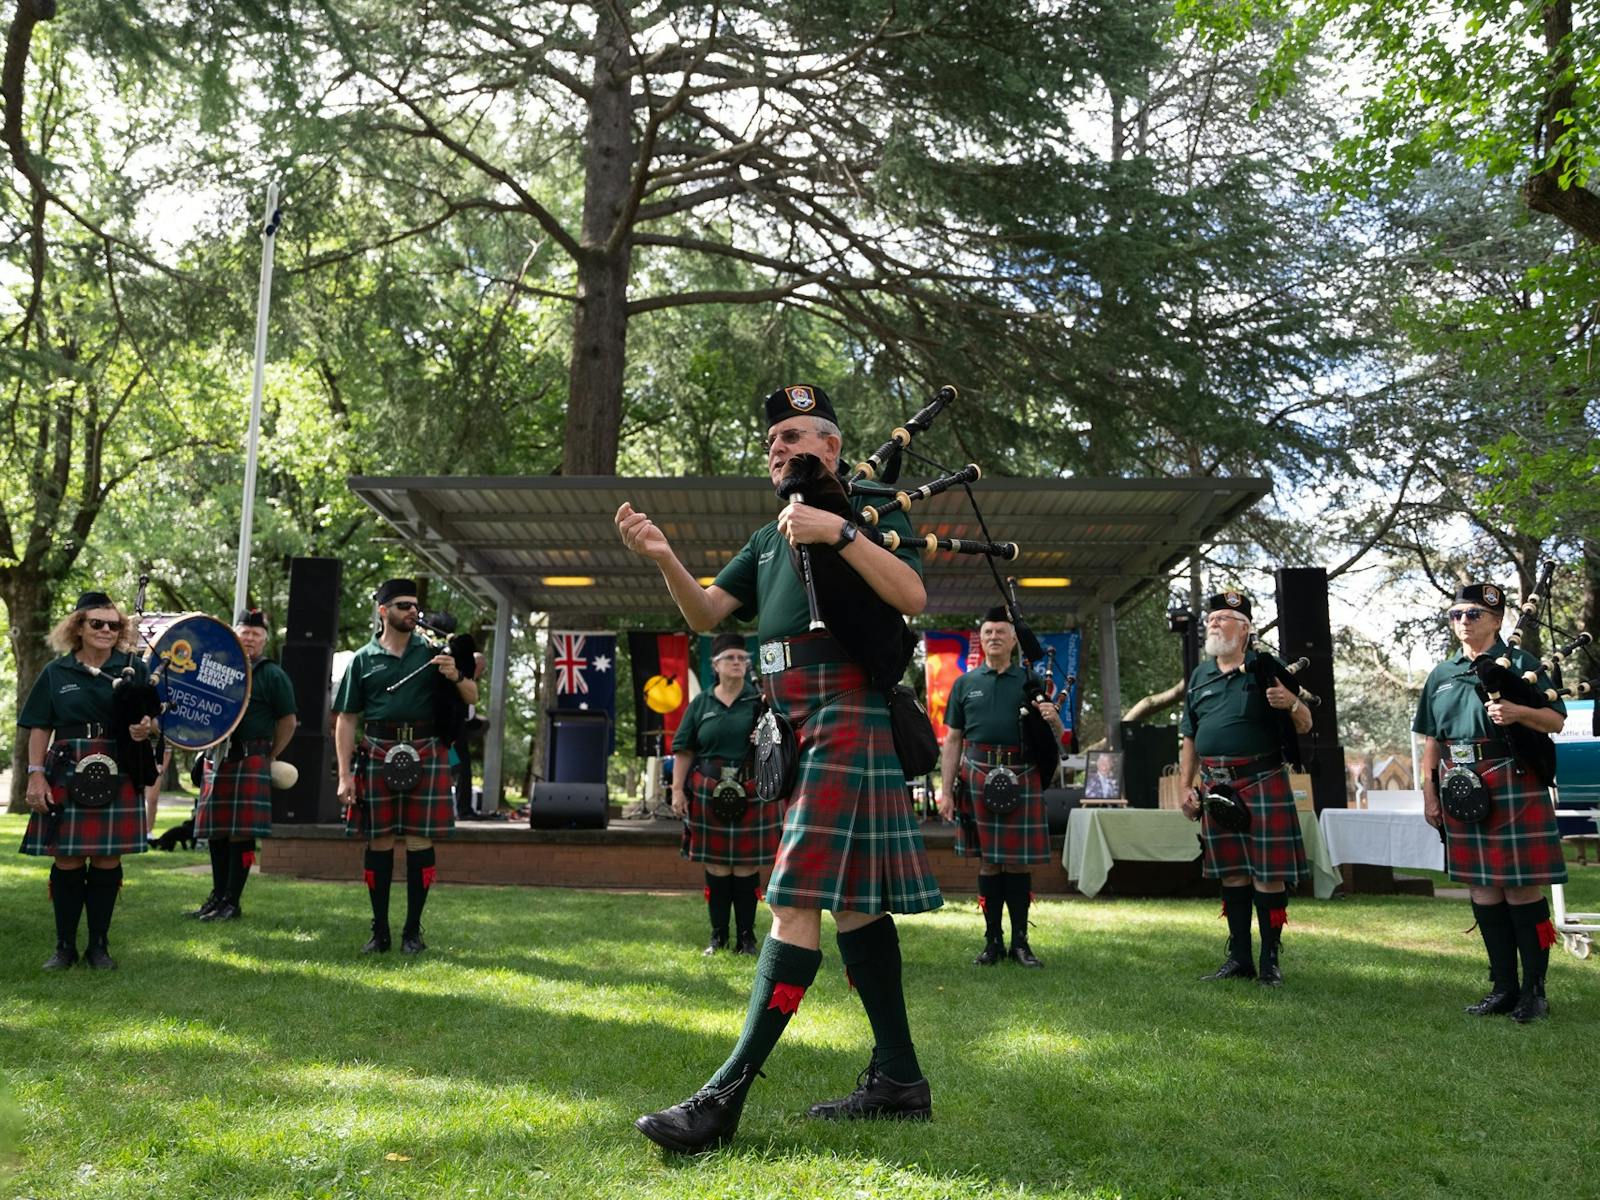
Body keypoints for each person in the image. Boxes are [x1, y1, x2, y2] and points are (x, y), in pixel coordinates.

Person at [617, 383, 940, 1154]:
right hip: (790, 725)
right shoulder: (766, 540)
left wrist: (839, 531)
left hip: (847, 716)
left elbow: (913, 594)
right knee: (856, 905)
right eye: (773, 442)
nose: (781, 449)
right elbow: (704, 614)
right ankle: (899, 1080)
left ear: (831, 448)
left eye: (797, 436)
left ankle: (720, 1101)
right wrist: (664, 558)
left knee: (793, 900)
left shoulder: (869, 510)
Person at [1414, 582, 1566, 1022]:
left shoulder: (1523, 665)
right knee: (1482, 886)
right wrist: (1429, 792)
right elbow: (1431, 739)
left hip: (1512, 779)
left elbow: (1555, 721)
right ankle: (1503, 987)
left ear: (1497, 620)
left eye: (1473, 614)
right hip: (1459, 781)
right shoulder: (1442, 674)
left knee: (1521, 888)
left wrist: (1519, 714)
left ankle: (1534, 991)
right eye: (1456, 614)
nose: (1463, 621)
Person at [333, 579, 477, 955]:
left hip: (425, 748)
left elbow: (472, 695)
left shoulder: (432, 652)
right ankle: (379, 932)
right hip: (377, 749)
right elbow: (346, 719)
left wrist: (455, 675)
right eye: (402, 605)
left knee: (419, 841)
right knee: (378, 841)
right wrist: (345, 774)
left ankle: (412, 933)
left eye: (415, 605)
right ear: (383, 611)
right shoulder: (362, 659)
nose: (412, 611)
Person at [1177, 591, 1313, 987]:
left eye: (1223, 618)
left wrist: (1290, 701)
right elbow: (1189, 735)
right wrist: (1186, 786)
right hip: (1215, 784)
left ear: (1246, 628)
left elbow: (1305, 724)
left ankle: (1269, 960)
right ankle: (1239, 958)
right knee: (1232, 874)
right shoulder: (1201, 675)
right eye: (1211, 619)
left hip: (1262, 782)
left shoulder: (1264, 668)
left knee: (1267, 877)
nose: (1214, 624)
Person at [19, 591, 158, 970]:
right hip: (67, 763)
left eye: (114, 625)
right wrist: (35, 777)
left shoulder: (133, 668)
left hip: (118, 762)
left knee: (107, 857)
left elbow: (154, 718)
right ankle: (64, 947)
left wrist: (147, 727)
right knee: (66, 858)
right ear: (78, 627)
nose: (106, 630)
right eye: (97, 623)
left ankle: (99, 946)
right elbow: (38, 726)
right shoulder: (57, 672)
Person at [936, 607, 1064, 968]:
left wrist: (1054, 721)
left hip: (1022, 773)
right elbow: (953, 740)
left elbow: (1052, 738)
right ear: (982, 639)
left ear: (1013, 640)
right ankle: (992, 942)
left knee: (1019, 864)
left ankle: (1021, 943)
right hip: (976, 774)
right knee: (990, 863)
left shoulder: (1032, 682)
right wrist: (946, 791)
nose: (994, 637)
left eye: (1001, 632)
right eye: (988, 632)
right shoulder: (965, 683)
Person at [187, 609, 298, 922]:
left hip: (252, 757)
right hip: (218, 755)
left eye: (256, 634)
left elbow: (288, 721)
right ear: (233, 635)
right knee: (216, 831)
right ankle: (217, 897)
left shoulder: (272, 675)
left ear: (264, 639)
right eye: (244, 632)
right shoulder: (215, 668)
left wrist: (271, 755)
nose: (249, 638)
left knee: (240, 833)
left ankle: (232, 903)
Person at [672, 632, 777, 956]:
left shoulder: (760, 701)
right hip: (708, 790)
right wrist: (677, 789)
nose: (737, 663)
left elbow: (779, 743)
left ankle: (746, 938)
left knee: (746, 868)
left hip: (750, 790)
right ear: (715, 665)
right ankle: (717, 937)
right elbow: (684, 750)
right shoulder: (701, 703)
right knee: (717, 867)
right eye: (730, 658)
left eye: (742, 659)